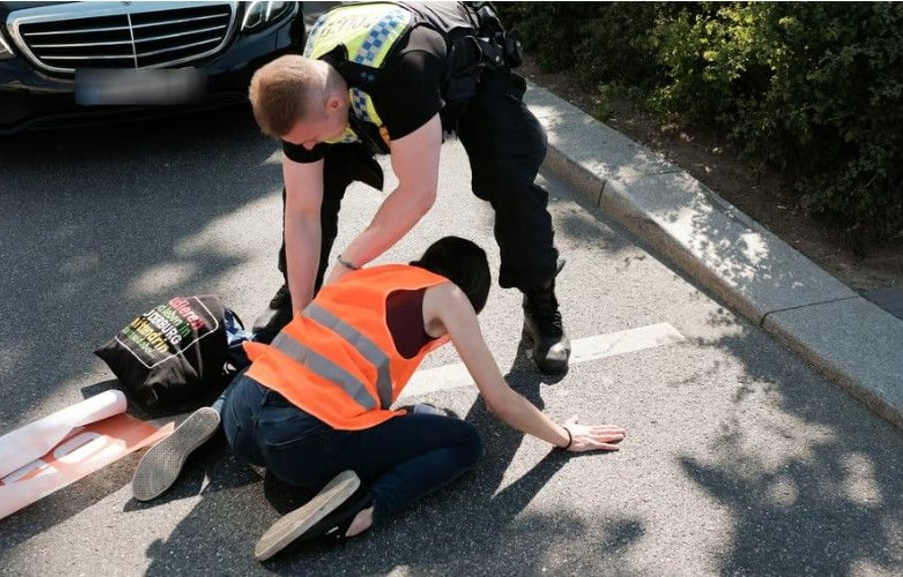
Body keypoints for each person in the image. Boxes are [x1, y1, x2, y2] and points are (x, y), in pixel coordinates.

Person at [131, 236, 625, 561]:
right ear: (467, 288)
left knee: (277, 372)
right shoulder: (448, 297)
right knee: (463, 443)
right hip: (300, 444)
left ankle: (214, 425)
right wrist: (562, 437)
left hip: (246, 409)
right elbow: (497, 399)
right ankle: (357, 512)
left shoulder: (373, 275)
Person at [247, 1, 572, 375]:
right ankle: (296, 300)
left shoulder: (401, 75)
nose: (305, 148)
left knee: (508, 177)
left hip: (465, 69)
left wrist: (348, 263)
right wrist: (304, 321)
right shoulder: (300, 90)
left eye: (308, 139)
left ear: (336, 104)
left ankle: (540, 302)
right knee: (313, 183)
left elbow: (418, 193)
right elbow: (302, 211)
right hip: (370, 78)